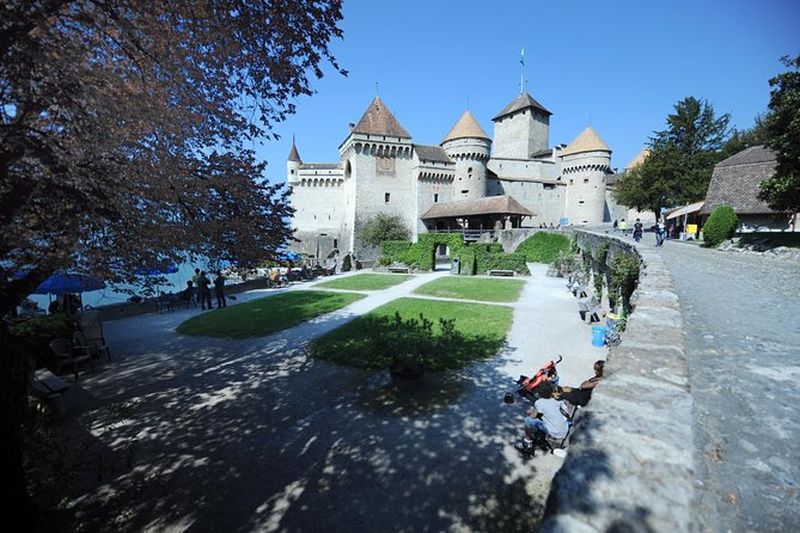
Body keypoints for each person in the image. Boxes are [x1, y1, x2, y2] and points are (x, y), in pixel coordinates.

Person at [517, 386, 569, 451]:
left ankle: (527, 442)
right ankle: (538, 435)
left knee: (528, 420)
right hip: (564, 429)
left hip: (555, 433)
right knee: (544, 418)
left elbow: (534, 416)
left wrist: (528, 412)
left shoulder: (539, 402)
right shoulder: (557, 401)